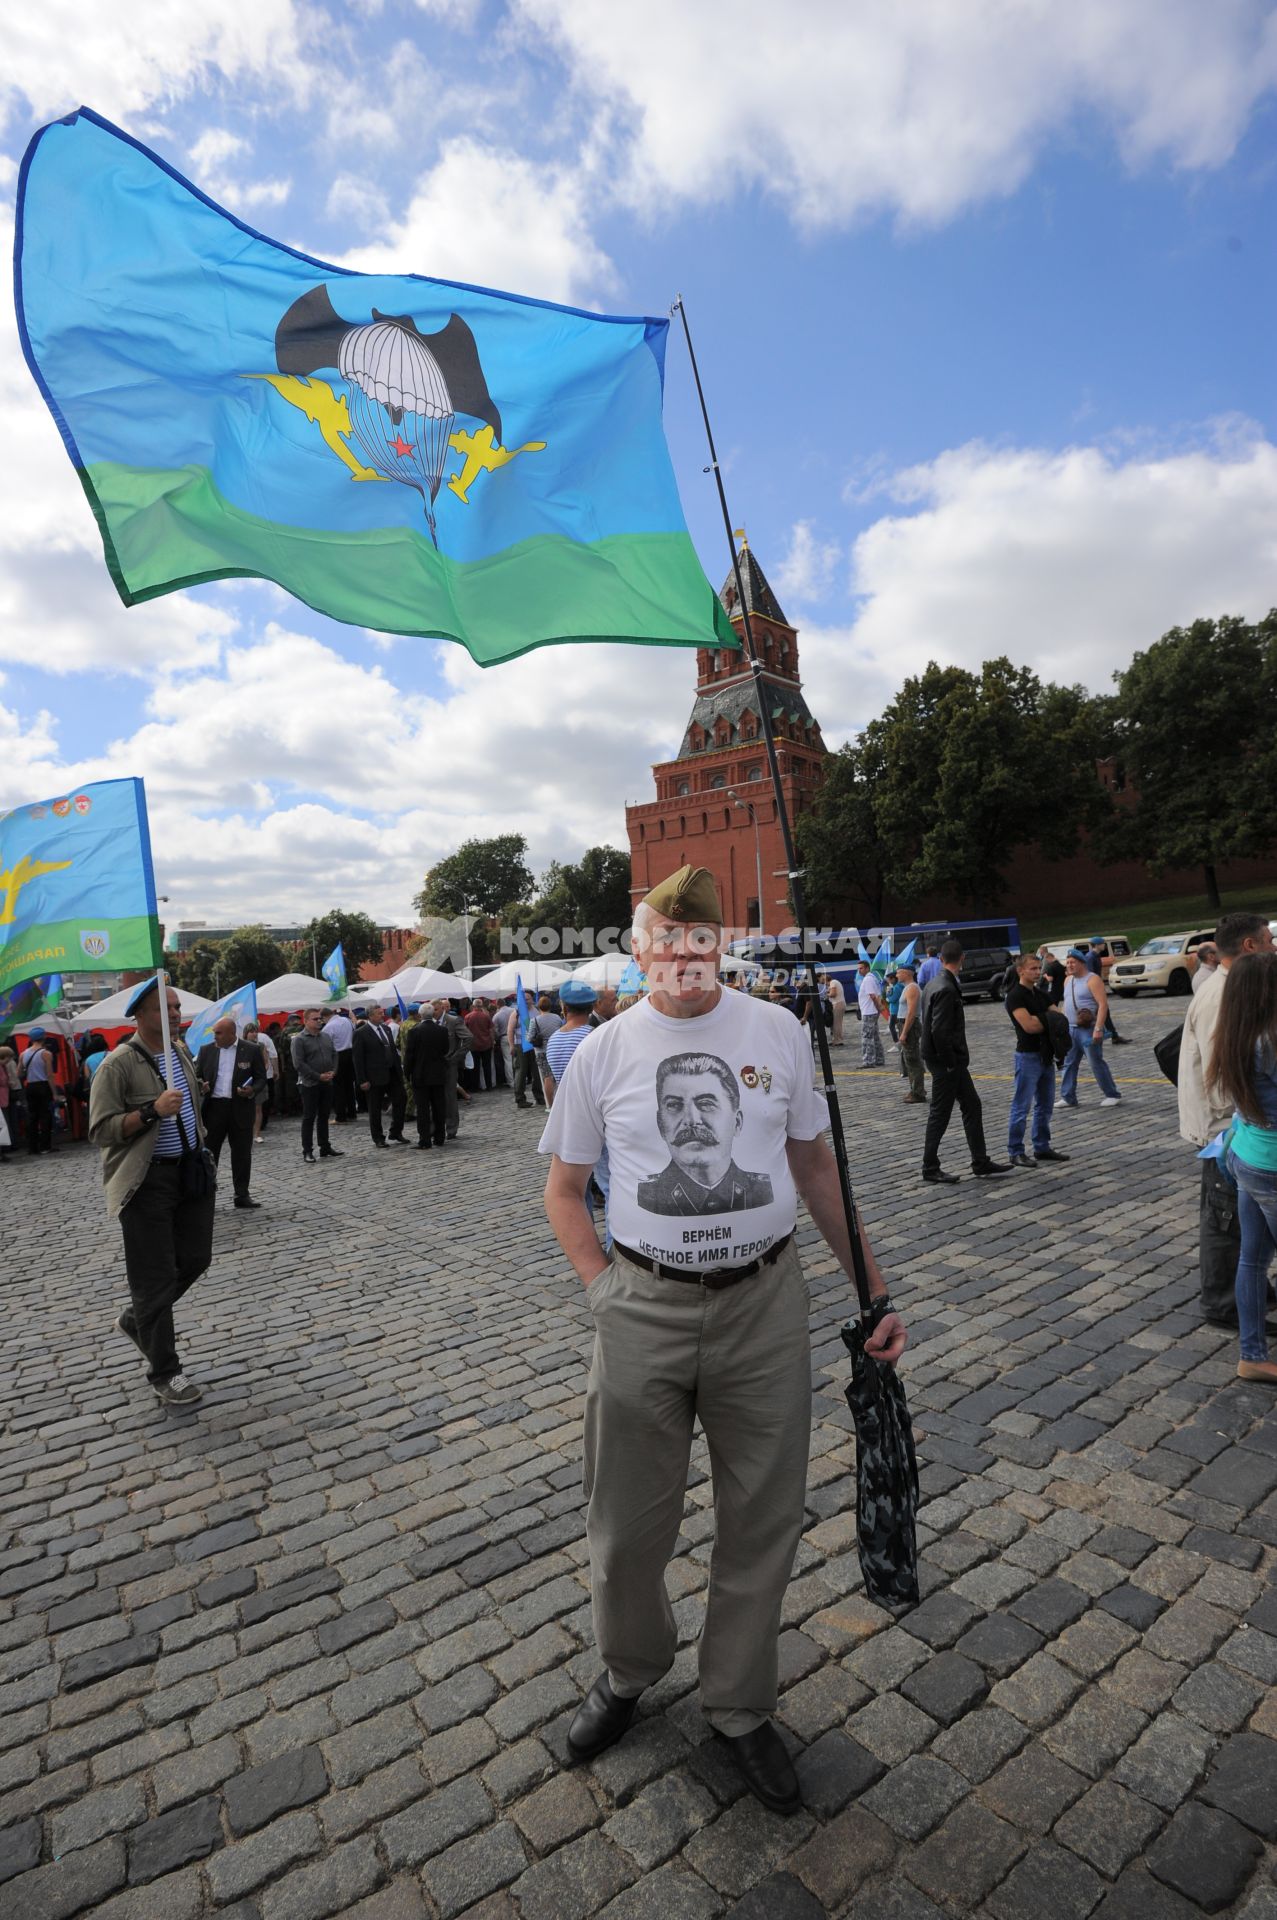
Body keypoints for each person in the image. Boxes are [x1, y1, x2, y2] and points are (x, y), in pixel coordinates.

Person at [540, 865, 906, 1814]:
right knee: (624, 1526)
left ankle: (738, 1703)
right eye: (665, 938)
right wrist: (603, 1293)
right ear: (639, 948)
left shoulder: (777, 1032)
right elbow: (563, 1190)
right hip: (643, 1310)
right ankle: (628, 1671)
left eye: (698, 940)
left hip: (763, 1306)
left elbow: (816, 1167)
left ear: (720, 948)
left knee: (762, 1520)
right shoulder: (602, 1052)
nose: (682, 955)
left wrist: (871, 1289)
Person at [88, 977, 213, 1407]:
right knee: (154, 1279)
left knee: (196, 1258)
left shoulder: (180, 1051)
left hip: (192, 1173)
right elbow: (101, 1130)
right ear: (140, 1014)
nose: (177, 1013)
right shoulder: (117, 1064)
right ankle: (165, 1372)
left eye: (177, 1007)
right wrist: (149, 1112)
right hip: (147, 1183)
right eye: (167, 1007)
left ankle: (137, 1318)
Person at [1179, 910, 1275, 1325]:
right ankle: (1223, 1304)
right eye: (1269, 939)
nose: (1274, 946)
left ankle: (1252, 1292)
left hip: (1237, 1125)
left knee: (1237, 1220)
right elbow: (1226, 1071)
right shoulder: (1224, 994)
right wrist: (1246, 1120)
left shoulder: (1230, 987)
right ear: (1250, 946)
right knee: (1224, 1220)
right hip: (1227, 1126)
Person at [1209, 950, 1277, 1382]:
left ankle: (1253, 1354)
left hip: (1246, 1153)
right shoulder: (1269, 1042)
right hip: (1269, 1162)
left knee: (1252, 1260)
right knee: (1252, 1260)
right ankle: (1251, 1355)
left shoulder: (1235, 1034)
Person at [920, 938, 1012, 1184]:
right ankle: (930, 1166)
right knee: (940, 1113)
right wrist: (950, 1061)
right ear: (962, 959)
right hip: (947, 1060)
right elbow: (939, 1030)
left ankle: (980, 1161)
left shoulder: (933, 983)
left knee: (972, 1105)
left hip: (946, 1059)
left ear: (940, 959)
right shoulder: (946, 988)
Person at [544, 978, 611, 1246]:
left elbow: (551, 1081)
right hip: (599, 1117)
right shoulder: (595, 1037)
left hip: (570, 1118)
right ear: (592, 1005)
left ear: (563, 1006)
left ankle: (587, 1241)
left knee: (576, 1188)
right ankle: (614, 1244)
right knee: (609, 1183)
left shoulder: (553, 1040)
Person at [1005, 952, 1069, 1168]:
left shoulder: (1041, 994)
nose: (1037, 971)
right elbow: (1029, 1026)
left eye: (1037, 968)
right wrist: (1048, 1020)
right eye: (1032, 968)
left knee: (1045, 1105)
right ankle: (1015, 1151)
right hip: (1027, 1057)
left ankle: (1041, 1146)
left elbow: (1060, 1020)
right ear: (1020, 970)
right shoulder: (1015, 996)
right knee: (1021, 1106)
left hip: (1046, 1056)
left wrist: (1045, 1019)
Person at [196, 1016, 265, 1208]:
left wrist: (252, 1090)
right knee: (209, 1154)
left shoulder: (251, 1050)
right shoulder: (206, 1050)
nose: (215, 1036)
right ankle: (207, 1196)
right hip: (214, 1109)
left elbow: (260, 1078)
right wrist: (202, 1085)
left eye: (218, 1033)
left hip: (240, 1107)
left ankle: (241, 1195)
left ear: (232, 1033)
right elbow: (197, 1075)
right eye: (215, 1032)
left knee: (242, 1153)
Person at [1060, 947, 1121, 1109]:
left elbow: (1102, 1005)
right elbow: (1065, 1005)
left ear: (1082, 963)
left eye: (1072, 962)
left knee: (1095, 1062)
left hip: (1088, 1029)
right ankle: (1068, 1097)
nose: (1069, 965)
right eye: (1067, 962)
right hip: (1071, 1029)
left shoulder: (1092, 979)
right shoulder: (1067, 980)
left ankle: (1112, 1094)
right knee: (1069, 1063)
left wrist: (1099, 1028)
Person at [292, 1008, 343, 1164]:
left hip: (327, 1081)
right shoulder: (299, 1039)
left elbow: (334, 1054)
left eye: (320, 1018)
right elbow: (298, 1064)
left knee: (324, 1115)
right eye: (315, 1019)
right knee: (309, 1117)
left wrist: (333, 1071)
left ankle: (325, 1146)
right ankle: (307, 1150)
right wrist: (317, 1076)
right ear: (305, 1021)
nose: (319, 1021)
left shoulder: (325, 1036)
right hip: (309, 1084)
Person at [353, 1003, 408, 1146]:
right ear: (370, 1016)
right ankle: (378, 1137)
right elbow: (358, 1059)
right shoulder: (361, 1033)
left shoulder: (386, 1029)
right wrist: (362, 1079)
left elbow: (393, 1050)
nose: (382, 1015)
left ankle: (396, 1132)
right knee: (375, 1108)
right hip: (374, 1076)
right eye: (378, 1013)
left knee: (401, 1100)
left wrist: (400, 1071)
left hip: (392, 1072)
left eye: (381, 1012)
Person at [404, 1005, 451, 1148]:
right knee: (439, 1107)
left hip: (420, 1076)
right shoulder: (442, 1030)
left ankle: (424, 1139)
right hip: (438, 1074)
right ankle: (439, 1137)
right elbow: (445, 1050)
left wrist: (407, 1073)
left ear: (420, 1015)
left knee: (423, 1110)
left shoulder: (414, 1031)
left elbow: (409, 1056)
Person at [20, 1031, 57, 1155]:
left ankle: (32, 1147)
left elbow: (18, 1073)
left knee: (32, 1117)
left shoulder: (23, 1054)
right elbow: (50, 1075)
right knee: (45, 1116)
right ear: (44, 1038)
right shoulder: (46, 1053)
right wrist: (55, 1092)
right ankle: (45, 1146)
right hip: (43, 1085)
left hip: (30, 1086)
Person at [438, 1000, 470, 1136]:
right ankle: (436, 1127)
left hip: (449, 1064)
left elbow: (468, 1038)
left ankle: (451, 1128)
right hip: (434, 1066)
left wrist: (457, 1056)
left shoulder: (453, 1020)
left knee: (450, 1096)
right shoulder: (428, 1022)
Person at [1087, 940, 1128, 1043]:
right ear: (1097, 945)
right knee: (1099, 1012)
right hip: (1093, 989)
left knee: (1104, 1013)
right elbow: (1091, 975)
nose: (1104, 945)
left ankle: (1114, 1036)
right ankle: (1110, 1036)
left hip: (1097, 987)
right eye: (1102, 944)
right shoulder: (1090, 957)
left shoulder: (1095, 955)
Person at [896, 961, 925, 1104]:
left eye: (898, 972)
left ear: (906, 973)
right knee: (909, 1059)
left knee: (913, 1059)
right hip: (904, 1024)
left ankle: (918, 1092)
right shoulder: (906, 987)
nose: (896, 975)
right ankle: (914, 1089)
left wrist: (904, 1032)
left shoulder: (912, 988)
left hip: (909, 1026)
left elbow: (911, 1012)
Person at [324, 1005, 357, 1120]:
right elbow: (354, 1029)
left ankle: (341, 1115)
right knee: (349, 1085)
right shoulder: (346, 1020)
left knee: (338, 1087)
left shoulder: (328, 1027)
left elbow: (326, 1045)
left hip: (338, 1056)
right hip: (350, 1053)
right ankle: (352, 1112)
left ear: (325, 1017)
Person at [246, 1020, 276, 1138]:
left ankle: (257, 1133)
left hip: (258, 1081)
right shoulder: (241, 1046)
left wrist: (260, 1073)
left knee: (258, 1108)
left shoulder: (260, 1046)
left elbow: (266, 1062)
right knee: (247, 1109)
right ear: (246, 1033)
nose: (254, 1034)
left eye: (255, 1032)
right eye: (251, 1032)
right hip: (246, 1081)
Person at [532, 994, 563, 1105]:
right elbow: (562, 1030)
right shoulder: (557, 1017)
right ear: (550, 1006)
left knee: (547, 1077)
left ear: (539, 1007)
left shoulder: (535, 1020)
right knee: (559, 1076)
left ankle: (550, 1104)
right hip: (556, 1048)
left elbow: (530, 1037)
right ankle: (561, 1101)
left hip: (542, 1051)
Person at [857, 961, 886, 1068]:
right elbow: (878, 995)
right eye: (858, 968)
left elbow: (873, 996)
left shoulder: (868, 979)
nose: (859, 970)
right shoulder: (873, 978)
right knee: (875, 1036)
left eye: (861, 968)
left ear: (867, 968)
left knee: (867, 1037)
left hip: (869, 1011)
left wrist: (878, 1007)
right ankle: (879, 1059)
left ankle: (868, 1061)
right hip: (872, 1011)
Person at [465, 997, 496, 1090]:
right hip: (486, 1043)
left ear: (473, 1006)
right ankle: (489, 1086)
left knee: (475, 1067)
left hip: (473, 1045)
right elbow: (491, 1030)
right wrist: (492, 1041)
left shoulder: (468, 1016)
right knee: (487, 1066)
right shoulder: (486, 1016)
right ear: (481, 1006)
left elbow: (465, 1031)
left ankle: (475, 1087)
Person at [825, 970, 847, 1047]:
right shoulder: (834, 982)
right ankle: (836, 1039)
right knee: (837, 1022)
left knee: (836, 1023)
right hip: (840, 1003)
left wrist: (827, 994)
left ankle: (838, 1040)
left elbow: (833, 994)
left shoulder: (832, 983)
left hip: (838, 1004)